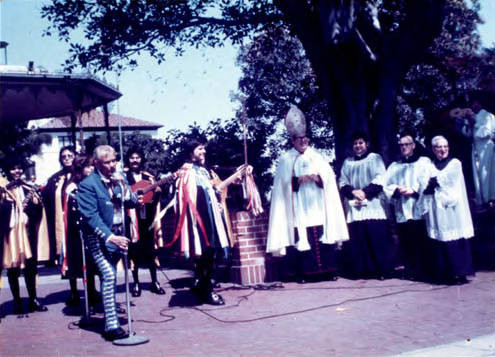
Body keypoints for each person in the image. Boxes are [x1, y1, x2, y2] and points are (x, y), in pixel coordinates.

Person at [266, 105, 349, 283]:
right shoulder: (286, 159)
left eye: (305, 138)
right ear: (293, 141)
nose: (303, 141)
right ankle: (302, 274)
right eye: (299, 139)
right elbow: (282, 185)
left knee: (321, 236)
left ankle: (328, 271)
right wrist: (296, 180)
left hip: (318, 207)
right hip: (298, 208)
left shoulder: (318, 157)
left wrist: (317, 177)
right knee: (302, 238)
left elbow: (329, 179)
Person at [169, 137, 243, 305]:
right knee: (204, 256)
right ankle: (206, 290)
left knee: (210, 256)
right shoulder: (187, 171)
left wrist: (230, 183)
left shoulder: (204, 170)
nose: (203, 152)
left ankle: (204, 287)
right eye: (198, 149)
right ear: (190, 153)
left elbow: (213, 190)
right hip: (199, 221)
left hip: (210, 219)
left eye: (203, 148)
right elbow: (189, 196)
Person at [77, 145, 139, 341]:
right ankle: (111, 326)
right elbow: (90, 216)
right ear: (96, 163)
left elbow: (133, 202)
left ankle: (111, 322)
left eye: (114, 160)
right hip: (99, 238)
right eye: (107, 162)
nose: (112, 165)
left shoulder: (118, 179)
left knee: (110, 275)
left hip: (119, 236)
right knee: (109, 274)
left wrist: (124, 186)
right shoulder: (88, 185)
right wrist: (109, 237)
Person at [339, 132, 397, 279]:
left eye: (360, 143)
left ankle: (383, 270)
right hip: (355, 204)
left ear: (367, 144)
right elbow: (342, 182)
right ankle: (363, 270)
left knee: (376, 238)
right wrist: (353, 192)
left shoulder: (375, 158)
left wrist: (364, 192)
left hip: (373, 204)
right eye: (355, 144)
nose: (357, 146)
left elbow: (380, 177)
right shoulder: (347, 162)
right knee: (359, 238)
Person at [420, 136, 475, 284]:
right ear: (433, 149)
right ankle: (446, 273)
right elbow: (424, 183)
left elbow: (446, 181)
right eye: (439, 147)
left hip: (453, 208)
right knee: (440, 238)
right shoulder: (429, 165)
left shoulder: (454, 163)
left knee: (455, 238)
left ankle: (460, 272)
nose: (442, 150)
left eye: (445, 146)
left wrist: (433, 182)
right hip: (437, 209)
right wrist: (431, 183)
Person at [1, 158, 50, 315]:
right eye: (13, 169)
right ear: (7, 171)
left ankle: (33, 299)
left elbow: (39, 210)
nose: (17, 171)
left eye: (19, 168)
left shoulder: (29, 188)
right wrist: (13, 209)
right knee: (13, 269)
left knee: (31, 268)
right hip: (12, 236)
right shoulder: (3, 190)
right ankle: (16, 302)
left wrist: (29, 211)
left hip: (29, 235)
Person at [384, 133, 431, 281]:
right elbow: (386, 185)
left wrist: (414, 190)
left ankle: (424, 270)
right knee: (406, 240)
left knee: (421, 239)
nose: (404, 147)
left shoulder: (424, 162)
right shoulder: (394, 166)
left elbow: (428, 180)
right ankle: (410, 270)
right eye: (401, 145)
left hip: (418, 206)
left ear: (413, 146)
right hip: (402, 208)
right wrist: (397, 190)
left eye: (407, 144)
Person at [124, 147, 165, 297]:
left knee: (150, 250)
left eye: (137, 157)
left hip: (147, 217)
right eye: (132, 157)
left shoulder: (149, 177)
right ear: (128, 159)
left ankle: (154, 282)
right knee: (133, 251)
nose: (135, 160)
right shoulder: (123, 177)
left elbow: (157, 196)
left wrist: (155, 195)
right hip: (131, 219)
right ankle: (136, 284)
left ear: (142, 159)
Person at [61, 154, 99, 308]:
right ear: (80, 168)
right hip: (78, 232)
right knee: (83, 264)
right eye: (88, 166)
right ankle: (85, 297)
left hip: (93, 229)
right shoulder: (72, 187)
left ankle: (93, 292)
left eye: (92, 165)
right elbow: (72, 212)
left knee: (93, 264)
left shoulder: (93, 182)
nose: (91, 169)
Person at [42, 146, 76, 265]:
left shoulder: (81, 175)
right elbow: (45, 197)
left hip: (76, 220)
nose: (66, 159)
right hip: (60, 221)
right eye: (63, 157)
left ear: (75, 157)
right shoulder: (55, 178)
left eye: (69, 156)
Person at [460, 98, 495, 207]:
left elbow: (486, 132)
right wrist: (468, 124)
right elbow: (468, 134)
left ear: (480, 103)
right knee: (478, 174)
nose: (474, 106)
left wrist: (474, 124)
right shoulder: (472, 116)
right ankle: (483, 199)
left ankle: (491, 197)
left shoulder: (488, 116)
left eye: (476, 103)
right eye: (472, 104)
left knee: (487, 173)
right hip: (475, 148)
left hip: (486, 147)